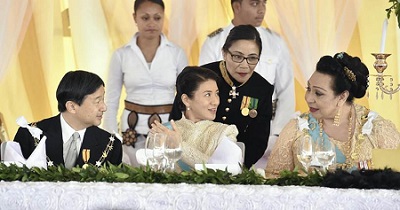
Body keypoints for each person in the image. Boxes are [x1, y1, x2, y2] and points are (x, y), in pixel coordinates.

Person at [265, 52, 400, 177]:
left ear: (342, 97)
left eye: (318, 93)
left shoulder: (377, 130)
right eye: (308, 89)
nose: (308, 98)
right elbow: (273, 179)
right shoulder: (296, 129)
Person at [199, 0, 295, 168]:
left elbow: (286, 91)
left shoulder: (275, 42)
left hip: (263, 130)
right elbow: (202, 90)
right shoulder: (214, 41)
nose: (262, 9)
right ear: (237, 6)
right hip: (213, 136)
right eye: (254, 4)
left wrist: (276, 135)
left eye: (264, 3)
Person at [103, 0, 188, 166]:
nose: (151, 23)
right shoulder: (121, 55)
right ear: (135, 17)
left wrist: (185, 129)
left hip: (168, 127)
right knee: (131, 177)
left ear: (164, 18)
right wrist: (111, 135)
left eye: (157, 18)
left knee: (167, 176)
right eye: (145, 18)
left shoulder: (176, 53)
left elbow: (186, 96)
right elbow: (112, 98)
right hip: (131, 130)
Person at [13, 70, 122, 169]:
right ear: (72, 107)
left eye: (103, 100)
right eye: (97, 101)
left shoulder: (110, 145)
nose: (104, 107)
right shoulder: (29, 136)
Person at [201, 24, 274, 168]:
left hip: (236, 166)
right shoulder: (202, 77)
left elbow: (259, 140)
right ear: (224, 53)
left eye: (252, 58)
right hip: (195, 161)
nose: (244, 65)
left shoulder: (262, 89)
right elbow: (180, 119)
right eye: (237, 57)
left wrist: (237, 167)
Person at [151, 66, 243, 170]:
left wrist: (180, 146)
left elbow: (225, 172)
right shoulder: (163, 131)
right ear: (186, 100)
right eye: (208, 94)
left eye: (216, 94)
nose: (215, 101)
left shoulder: (225, 132)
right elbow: (149, 175)